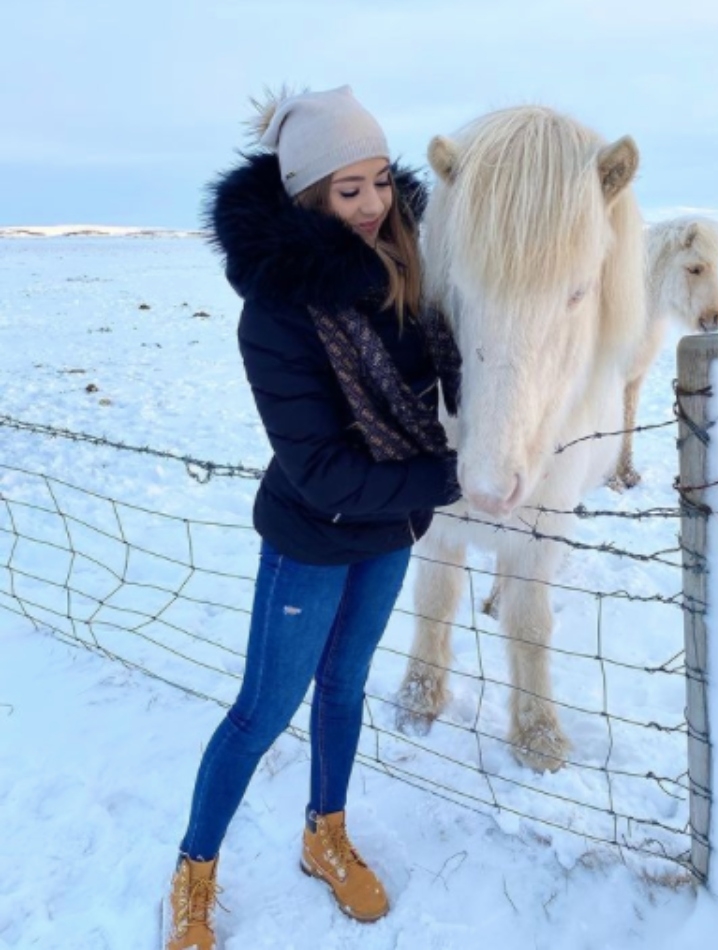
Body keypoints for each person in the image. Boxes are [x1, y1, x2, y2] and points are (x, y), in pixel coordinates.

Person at [163, 86, 462, 950]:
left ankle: (323, 835)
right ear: (307, 197)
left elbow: (463, 374)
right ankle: (194, 871)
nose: (373, 205)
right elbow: (323, 470)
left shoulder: (417, 274)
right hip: (313, 536)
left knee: (345, 688)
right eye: (347, 189)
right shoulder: (276, 313)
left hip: (391, 532)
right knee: (263, 710)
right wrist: (449, 478)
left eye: (379, 181)